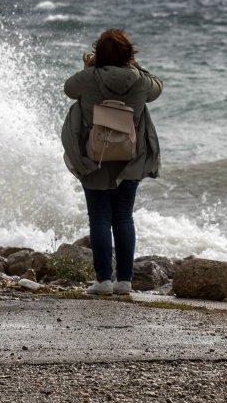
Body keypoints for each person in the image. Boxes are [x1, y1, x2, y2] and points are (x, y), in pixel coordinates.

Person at [61, 29, 162, 296]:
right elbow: (157, 86)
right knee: (124, 217)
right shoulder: (140, 81)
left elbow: (68, 89)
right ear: (129, 55)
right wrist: (134, 65)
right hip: (131, 157)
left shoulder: (88, 77)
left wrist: (88, 66)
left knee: (100, 218)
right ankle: (125, 282)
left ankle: (103, 281)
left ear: (99, 55)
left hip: (95, 157)